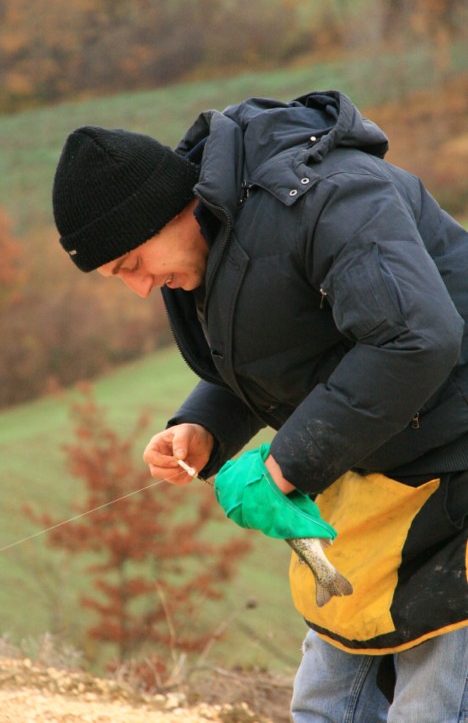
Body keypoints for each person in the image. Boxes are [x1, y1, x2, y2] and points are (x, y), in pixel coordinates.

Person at [52, 89, 468, 722]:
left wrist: (286, 465)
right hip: (380, 472)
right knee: (323, 704)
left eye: (134, 263)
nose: (139, 288)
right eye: (119, 275)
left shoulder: (330, 198)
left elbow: (415, 339)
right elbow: (283, 347)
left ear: (171, 209)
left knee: (431, 705)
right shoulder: (212, 236)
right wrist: (205, 425)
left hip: (456, 464)